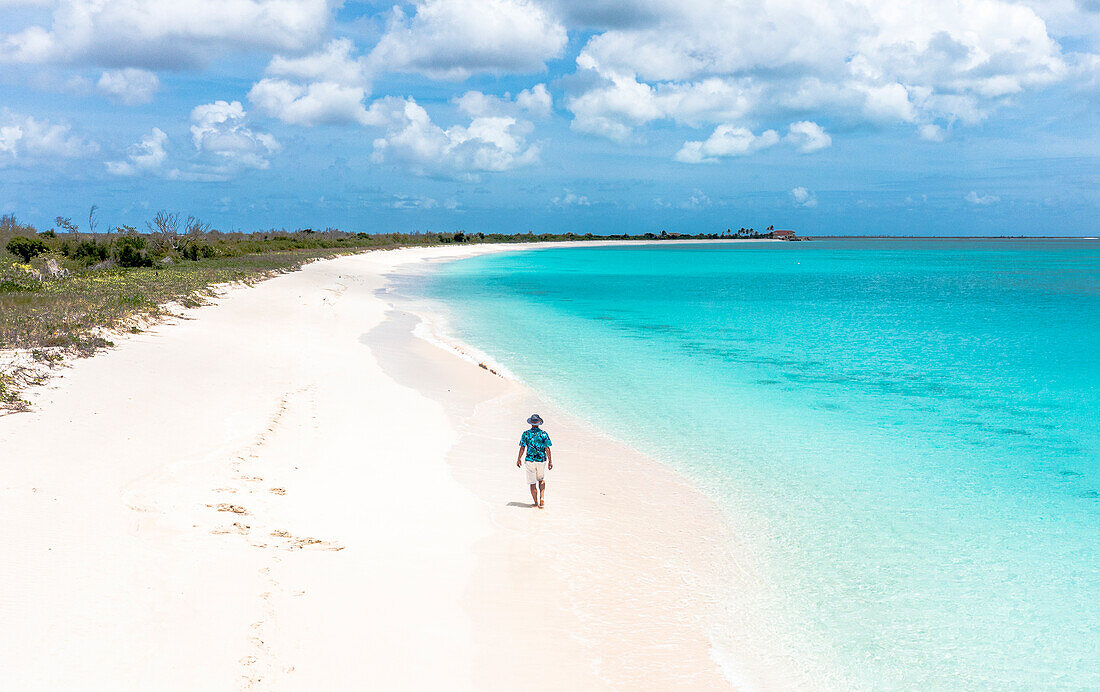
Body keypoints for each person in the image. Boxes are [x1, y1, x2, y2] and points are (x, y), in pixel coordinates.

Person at [516, 414, 552, 508]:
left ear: (531, 423)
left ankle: (536, 502)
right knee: (541, 479)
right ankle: (542, 498)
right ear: (539, 423)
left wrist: (519, 459)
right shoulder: (544, 433)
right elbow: (547, 448)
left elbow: (522, 447)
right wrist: (550, 461)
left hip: (530, 461)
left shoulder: (526, 434)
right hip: (541, 460)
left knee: (532, 483)